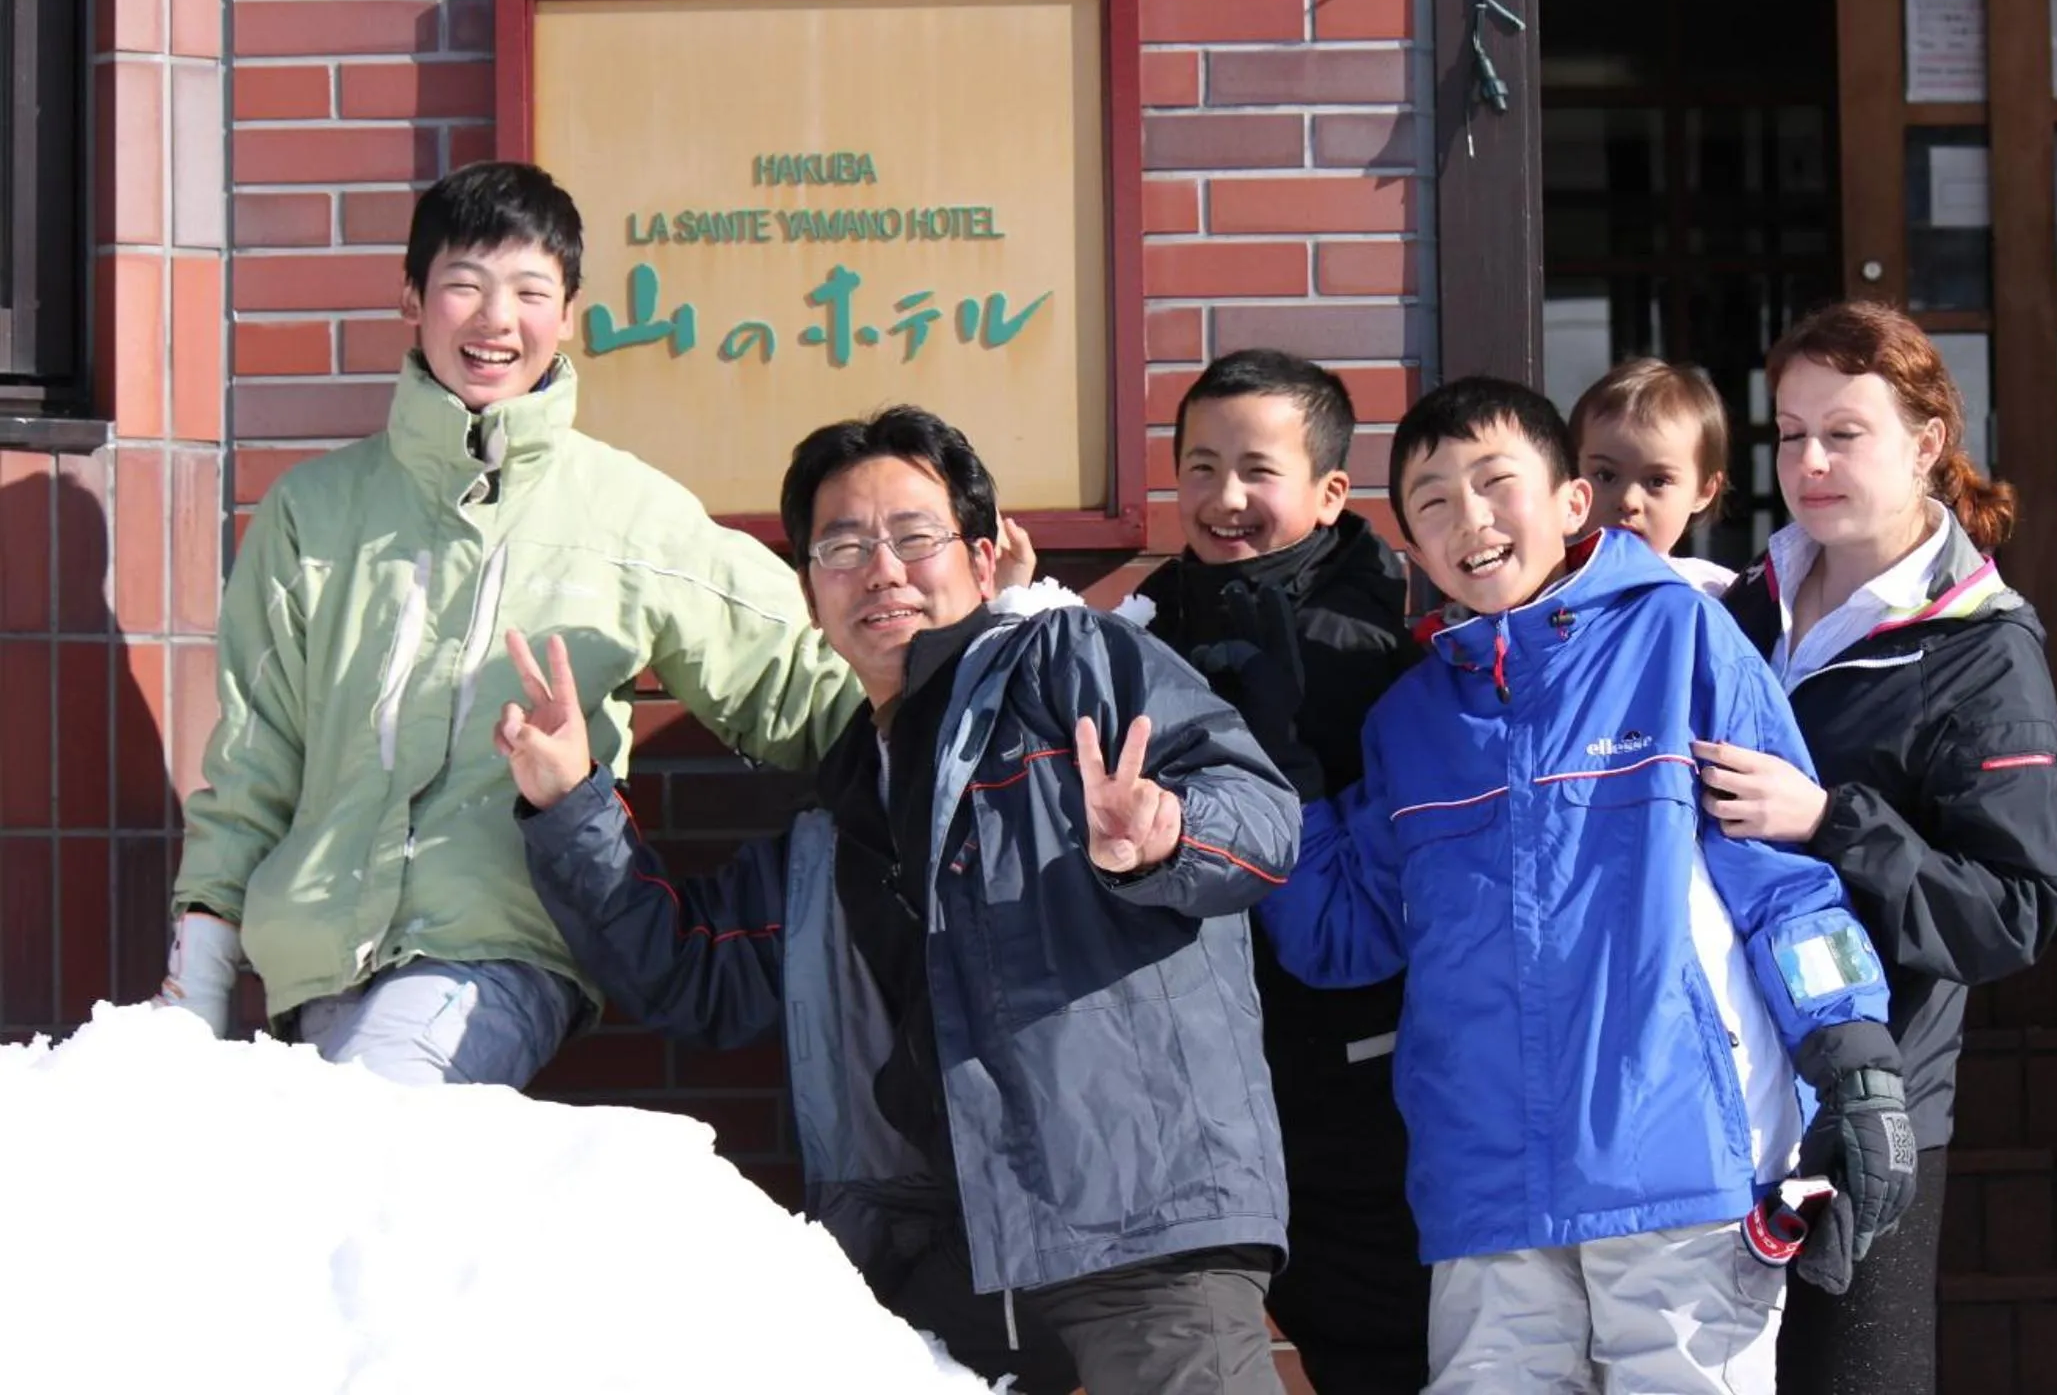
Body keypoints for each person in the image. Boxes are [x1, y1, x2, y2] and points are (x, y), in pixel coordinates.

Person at [508, 406, 1301, 1395]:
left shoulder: (1072, 665)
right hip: (943, 1254)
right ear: (811, 590)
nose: (880, 568)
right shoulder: (836, 814)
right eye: (842, 545)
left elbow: (1265, 815)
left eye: (913, 536)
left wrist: (1167, 834)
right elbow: (696, 973)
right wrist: (571, 799)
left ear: (979, 557)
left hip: (1139, 1222)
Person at [1247, 375, 1917, 1394]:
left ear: (1571, 502)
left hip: (1677, 1164)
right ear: (1415, 551)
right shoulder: (1410, 722)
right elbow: (1343, 931)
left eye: (1495, 482)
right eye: (1434, 502)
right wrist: (1276, 776)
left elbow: (1780, 877)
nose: (1469, 517)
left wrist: (1853, 1050)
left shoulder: (1676, 638)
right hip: (1485, 1194)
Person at [154, 161, 859, 1088]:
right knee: (341, 1214)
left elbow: (799, 690)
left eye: (531, 291)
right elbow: (254, 760)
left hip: (501, 953)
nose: (496, 321)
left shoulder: (628, 512)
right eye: (464, 286)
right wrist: (199, 974)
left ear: (567, 314)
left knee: (374, 1148)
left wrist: (980, 690)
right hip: (316, 961)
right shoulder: (312, 516)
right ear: (412, 298)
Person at [1700, 301, 2057, 1395]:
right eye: (1789, 431)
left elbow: (2014, 910)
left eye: (1843, 433)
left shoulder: (1984, 647)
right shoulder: (1739, 601)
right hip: (1707, 1095)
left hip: (1869, 1109)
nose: (1808, 462)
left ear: (1925, 440)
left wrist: (1828, 818)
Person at [1137, 349, 1429, 1393]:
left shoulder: (1379, 643)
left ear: (1329, 490)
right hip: (1194, 1080)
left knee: (1385, 1346)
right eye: (1200, 466)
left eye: (1257, 469)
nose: (1224, 497)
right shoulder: (1146, 623)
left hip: (1352, 1069)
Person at [1568, 355, 1739, 594]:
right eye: (1606, 475)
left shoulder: (1718, 595)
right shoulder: (1545, 591)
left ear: (1704, 490)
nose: (1628, 501)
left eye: (1658, 481)